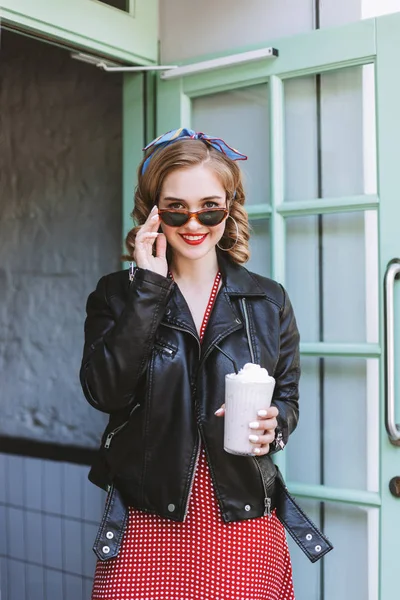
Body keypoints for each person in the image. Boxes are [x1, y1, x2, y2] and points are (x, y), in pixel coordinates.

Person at [80, 128, 301, 600]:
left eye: (210, 206)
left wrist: (274, 426)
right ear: (153, 210)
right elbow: (105, 392)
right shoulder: (118, 295)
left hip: (243, 523)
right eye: (176, 206)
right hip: (147, 524)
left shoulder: (268, 299)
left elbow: (287, 399)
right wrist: (150, 291)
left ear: (229, 206)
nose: (194, 221)